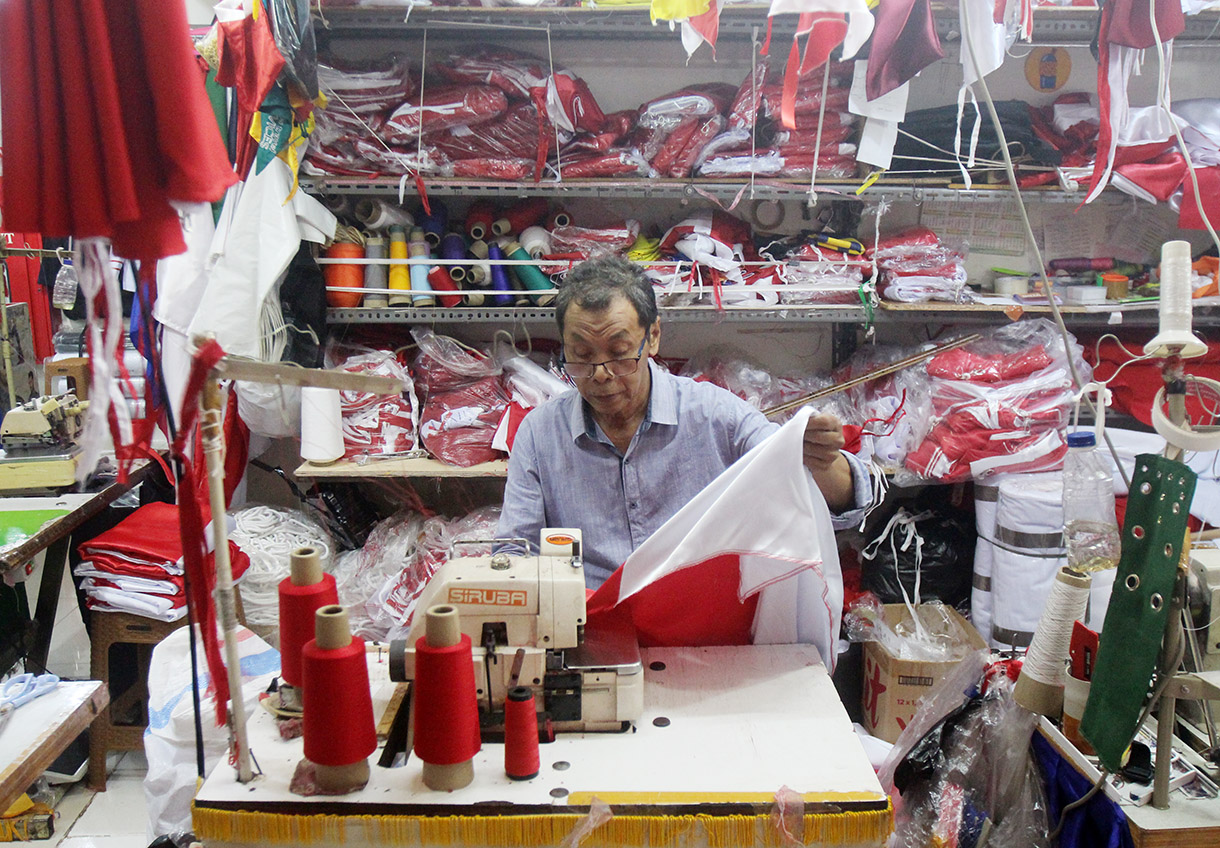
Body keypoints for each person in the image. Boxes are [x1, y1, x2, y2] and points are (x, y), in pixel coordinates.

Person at [497, 255, 873, 589]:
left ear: (654, 336)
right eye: (580, 356)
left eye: (619, 353)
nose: (601, 374)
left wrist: (819, 459)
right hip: (588, 625)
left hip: (699, 628)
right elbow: (515, 553)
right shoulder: (540, 434)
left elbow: (843, 504)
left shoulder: (716, 417)